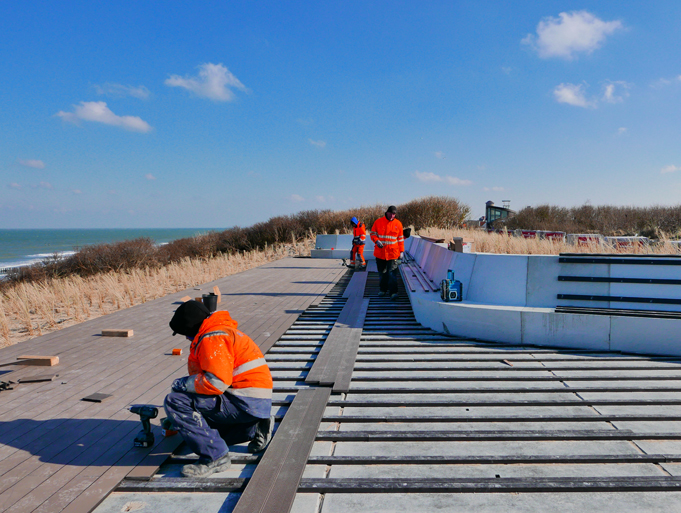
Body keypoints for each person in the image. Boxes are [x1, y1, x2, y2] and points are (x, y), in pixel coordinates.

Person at [164, 300, 274, 478]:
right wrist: (181, 422)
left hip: (243, 400)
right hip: (253, 401)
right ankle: (254, 426)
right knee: (205, 433)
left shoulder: (212, 338)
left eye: (185, 333)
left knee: (175, 401)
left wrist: (181, 385)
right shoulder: (223, 330)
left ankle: (216, 457)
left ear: (192, 327)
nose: (186, 338)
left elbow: (216, 383)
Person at [370, 205, 405, 300]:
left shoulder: (398, 224)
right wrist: (376, 241)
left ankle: (393, 293)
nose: (392, 216)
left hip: (393, 254)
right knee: (382, 273)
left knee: (392, 273)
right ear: (387, 212)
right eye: (391, 213)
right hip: (380, 253)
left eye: (394, 214)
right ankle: (383, 290)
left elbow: (400, 239)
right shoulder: (378, 222)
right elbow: (372, 233)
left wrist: (401, 251)